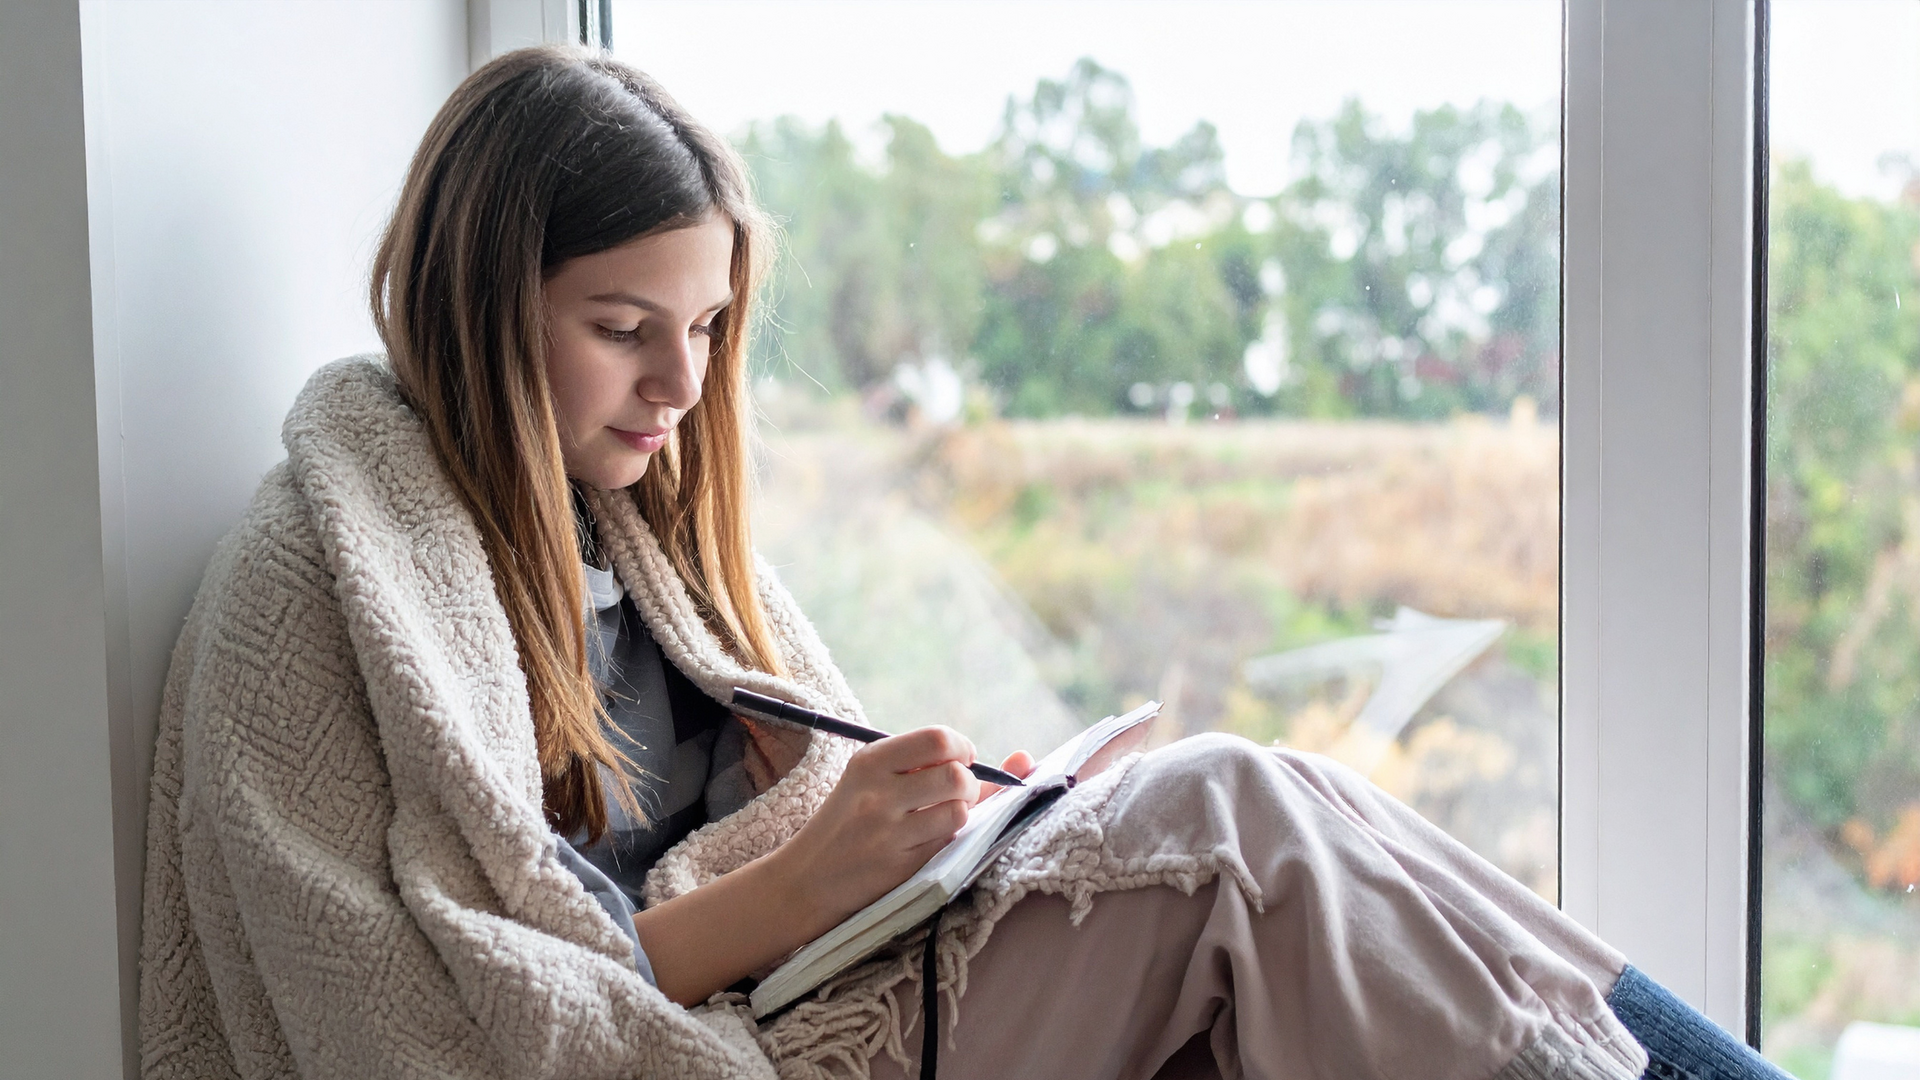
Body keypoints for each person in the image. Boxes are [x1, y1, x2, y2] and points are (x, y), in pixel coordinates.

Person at [137, 45, 1790, 1080]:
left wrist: (951, 829)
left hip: (811, 996)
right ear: (479, 297)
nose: (684, 386)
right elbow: (430, 1016)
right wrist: (815, 879)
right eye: (623, 328)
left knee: (1287, 816)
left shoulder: (624, 537)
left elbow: (763, 824)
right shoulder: (319, 583)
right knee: (1245, 824)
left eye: (709, 327)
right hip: (724, 1051)